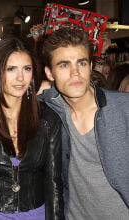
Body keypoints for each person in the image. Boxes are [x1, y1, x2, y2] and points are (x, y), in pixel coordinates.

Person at [39, 26, 129, 219]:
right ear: (49, 73)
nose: (75, 73)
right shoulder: (49, 111)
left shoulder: (124, 109)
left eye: (81, 63)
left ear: (90, 66)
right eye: (64, 65)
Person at [0, 37, 64, 220]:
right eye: (11, 69)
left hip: (36, 213)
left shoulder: (47, 119)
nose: (20, 77)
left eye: (27, 69)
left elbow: (53, 181)